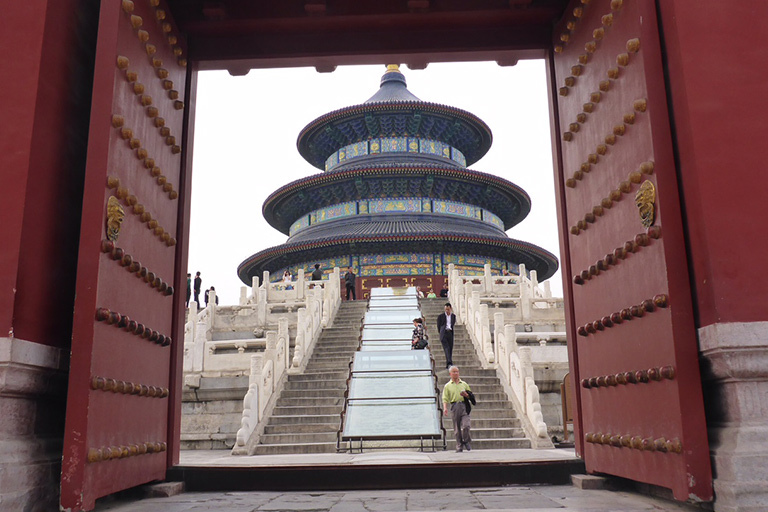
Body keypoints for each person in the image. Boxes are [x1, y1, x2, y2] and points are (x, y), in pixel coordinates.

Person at [443, 365, 473, 452]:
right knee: (457, 428)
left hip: (464, 405)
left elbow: (470, 396)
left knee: (466, 425)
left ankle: (466, 440)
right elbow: (445, 398)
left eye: (457, 372)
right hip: (454, 406)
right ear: (450, 374)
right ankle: (459, 445)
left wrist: (466, 395)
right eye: (454, 372)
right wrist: (445, 408)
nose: (456, 373)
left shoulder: (464, 384)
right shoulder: (447, 386)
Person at [436, 302, 456, 369]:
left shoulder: (453, 316)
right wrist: (441, 333)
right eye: (446, 309)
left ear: (451, 309)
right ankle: (449, 362)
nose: (447, 311)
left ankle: (449, 362)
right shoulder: (441, 316)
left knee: (450, 348)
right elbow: (438, 326)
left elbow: (452, 324)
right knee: (446, 348)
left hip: (450, 333)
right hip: (444, 333)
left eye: (448, 309)